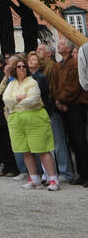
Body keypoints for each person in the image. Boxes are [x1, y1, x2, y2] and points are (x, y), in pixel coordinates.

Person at [4, 57, 59, 190]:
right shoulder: (11, 84)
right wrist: (18, 98)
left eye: (24, 66)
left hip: (35, 119)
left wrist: (14, 102)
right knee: (25, 150)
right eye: (19, 66)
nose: (22, 68)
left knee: (42, 149)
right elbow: (6, 99)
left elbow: (33, 100)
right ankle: (34, 178)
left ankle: (53, 179)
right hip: (17, 121)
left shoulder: (33, 82)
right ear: (14, 70)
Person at [49, 39, 88, 186]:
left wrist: (63, 100)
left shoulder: (75, 64)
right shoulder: (57, 66)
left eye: (62, 43)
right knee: (72, 141)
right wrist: (57, 102)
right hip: (62, 106)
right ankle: (81, 173)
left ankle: (86, 173)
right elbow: (53, 86)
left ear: (69, 48)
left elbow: (74, 86)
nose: (59, 45)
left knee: (80, 140)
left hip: (76, 106)